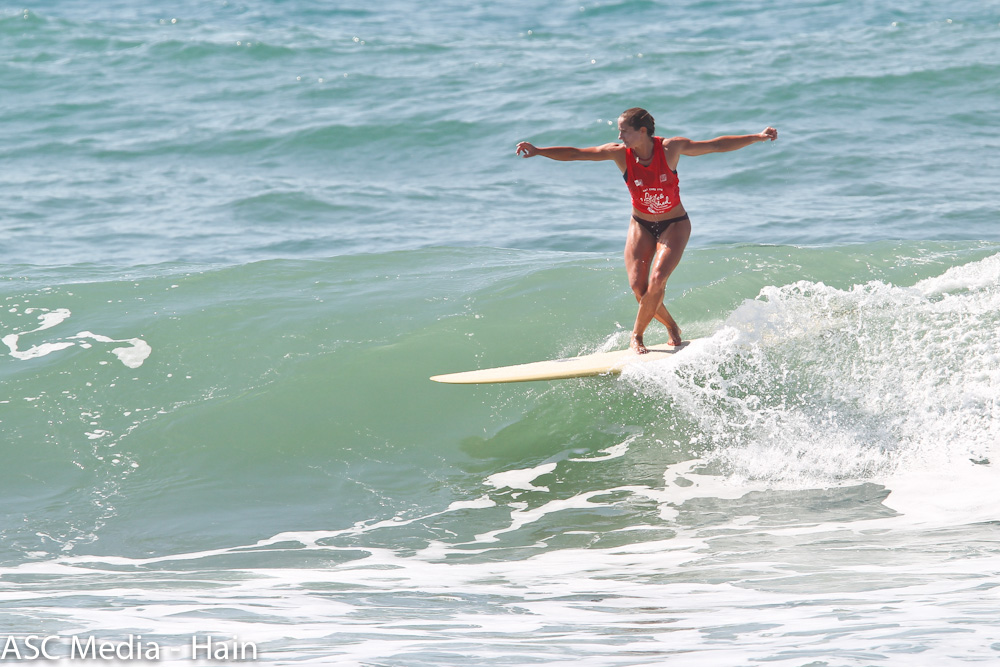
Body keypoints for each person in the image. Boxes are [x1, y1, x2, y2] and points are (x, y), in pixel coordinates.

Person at [516, 108, 777, 354]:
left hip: (674, 224)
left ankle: (637, 336)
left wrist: (758, 137)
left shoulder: (671, 148)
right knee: (638, 288)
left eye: (624, 131)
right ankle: (672, 326)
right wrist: (539, 151)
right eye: (619, 132)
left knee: (658, 279)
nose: (620, 137)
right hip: (641, 225)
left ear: (642, 131)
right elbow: (576, 154)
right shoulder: (620, 154)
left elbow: (716, 145)